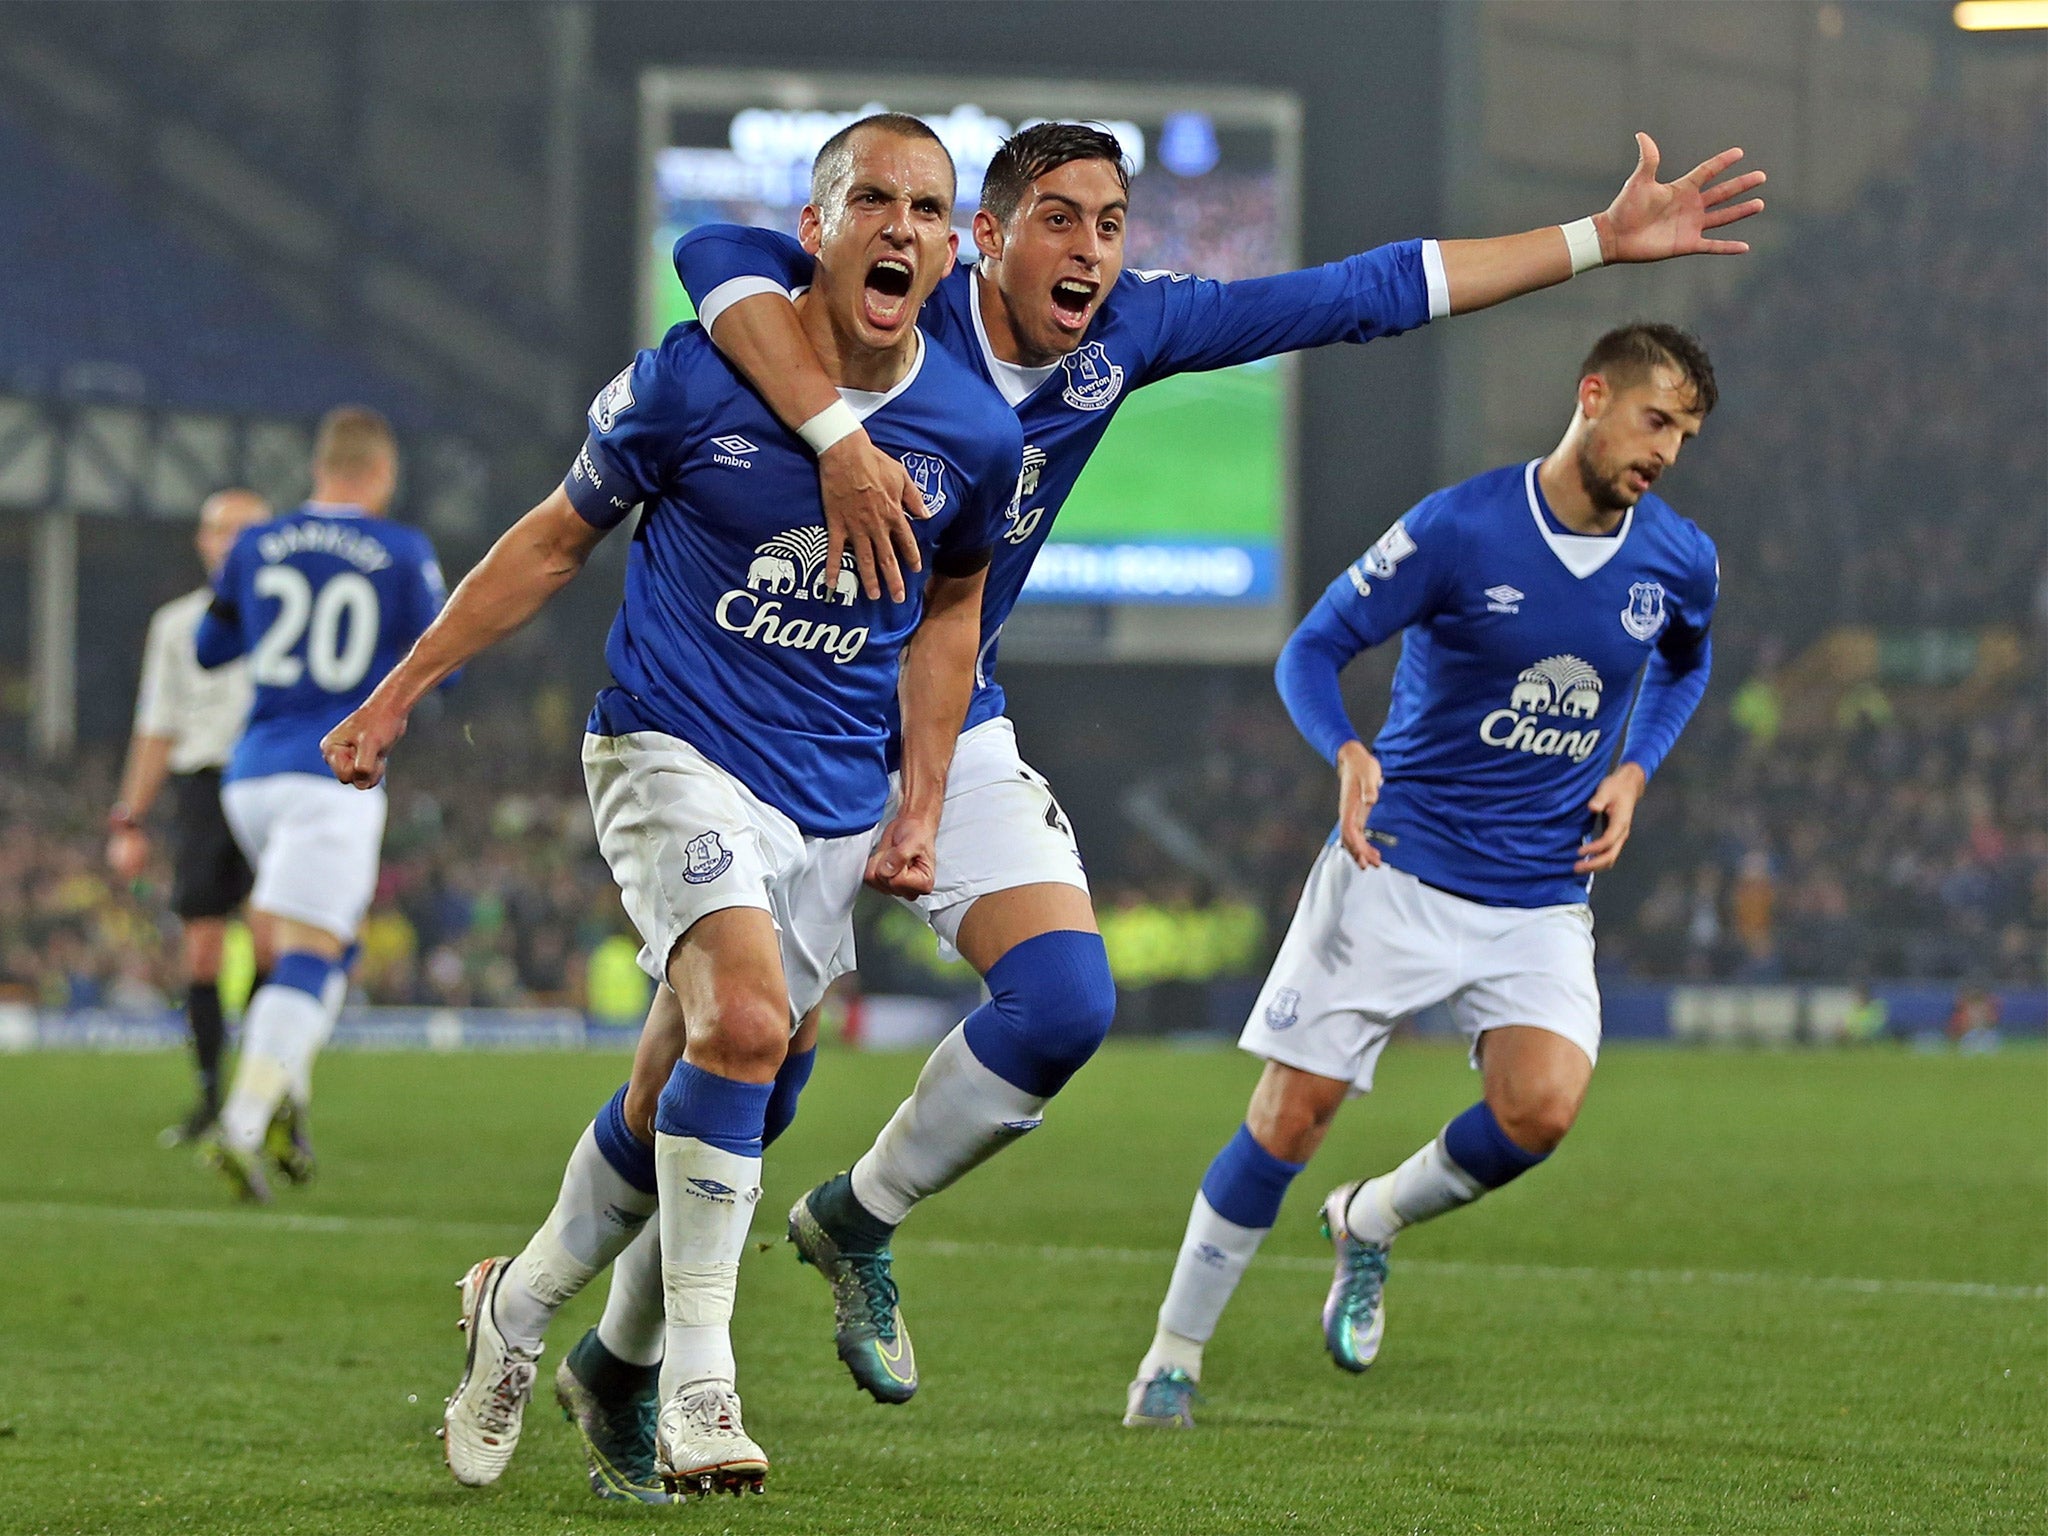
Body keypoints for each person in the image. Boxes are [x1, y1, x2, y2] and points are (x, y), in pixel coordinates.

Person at [667, 122, 1764, 1404]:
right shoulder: (895, 304)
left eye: (1111, 223)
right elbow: (713, 253)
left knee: (1062, 1002)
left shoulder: (1130, 329)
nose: (1091, 251)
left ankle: (853, 1223)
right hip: (774, 710)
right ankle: (556, 1314)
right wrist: (830, 430)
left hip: (946, 717)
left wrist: (1593, 243)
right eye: (1061, 220)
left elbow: (1363, 295)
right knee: (745, 1062)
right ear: (987, 233)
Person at [320, 114, 1019, 1501]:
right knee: (751, 1022)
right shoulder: (697, 377)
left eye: (924, 207)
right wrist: (401, 691)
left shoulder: (973, 433)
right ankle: (702, 1377)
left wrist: (923, 798)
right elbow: (550, 543)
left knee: (681, 1088)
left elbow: (953, 613)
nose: (896, 225)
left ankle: (513, 1309)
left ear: (952, 247)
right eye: (867, 198)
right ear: (810, 232)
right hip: (669, 746)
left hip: (830, 796)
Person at [1123, 324, 1721, 1427]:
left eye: (1683, 434)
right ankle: (1171, 1356)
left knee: (1538, 1112)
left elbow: (1687, 663)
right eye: (1654, 420)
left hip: (1540, 890)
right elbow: (1310, 647)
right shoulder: (1461, 528)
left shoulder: (1676, 557)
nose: (1667, 453)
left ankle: (1370, 1221)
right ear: (1591, 396)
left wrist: (1634, 767)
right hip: (1394, 867)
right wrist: (1345, 751)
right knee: (1287, 1120)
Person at [193, 409, 446, 1203]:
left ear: (319, 465)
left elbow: (211, 649)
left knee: (329, 951)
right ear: (379, 472)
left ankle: (281, 1094)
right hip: (332, 774)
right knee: (310, 953)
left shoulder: (257, 544)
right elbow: (445, 660)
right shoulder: (402, 551)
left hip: (250, 775)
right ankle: (242, 1120)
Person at [107, 488, 270, 1143]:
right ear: (202, 542)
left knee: (270, 945)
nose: (227, 541)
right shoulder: (176, 626)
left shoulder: (289, 619)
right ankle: (211, 1098)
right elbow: (156, 726)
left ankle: (259, 1103)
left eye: (242, 530)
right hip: (203, 788)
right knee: (201, 952)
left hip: (271, 781)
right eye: (217, 530)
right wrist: (130, 818)